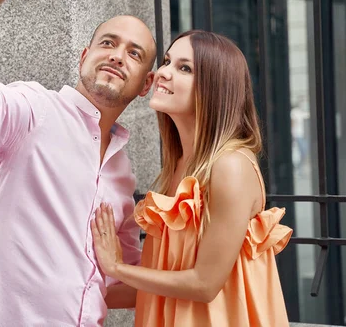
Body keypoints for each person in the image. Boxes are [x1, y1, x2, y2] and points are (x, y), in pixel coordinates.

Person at [0, 0, 159, 327]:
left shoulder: (122, 172)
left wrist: (205, 276)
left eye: (134, 53)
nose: (116, 55)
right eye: (108, 43)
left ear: (146, 85)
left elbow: (119, 279)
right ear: (83, 57)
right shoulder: (34, 110)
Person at [91, 30, 293, 326]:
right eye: (168, 61)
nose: (163, 73)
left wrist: (116, 267)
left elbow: (204, 284)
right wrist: (66, 294)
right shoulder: (180, 166)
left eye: (184, 68)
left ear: (215, 87)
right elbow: (158, 287)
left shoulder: (229, 165)